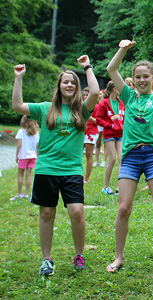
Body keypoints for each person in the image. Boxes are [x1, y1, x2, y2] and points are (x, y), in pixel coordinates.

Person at [11, 55, 99, 275]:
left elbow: (96, 92)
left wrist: (87, 67)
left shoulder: (82, 110)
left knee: (77, 212)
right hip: (46, 169)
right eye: (65, 81)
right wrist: (19, 78)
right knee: (46, 214)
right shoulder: (44, 108)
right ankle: (47, 260)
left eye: (73, 82)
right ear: (59, 86)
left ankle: (79, 255)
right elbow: (16, 105)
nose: (69, 84)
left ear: (77, 88)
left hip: (72, 171)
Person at [105, 28, 153, 273]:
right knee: (124, 207)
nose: (141, 80)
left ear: (152, 78)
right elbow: (111, 70)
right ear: (133, 79)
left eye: (145, 76)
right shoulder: (127, 96)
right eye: (137, 76)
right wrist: (122, 50)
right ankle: (119, 256)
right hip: (129, 157)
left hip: (152, 157)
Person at [95, 81, 125, 195]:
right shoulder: (104, 103)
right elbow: (99, 119)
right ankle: (106, 186)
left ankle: (120, 186)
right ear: (113, 89)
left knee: (122, 158)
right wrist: (110, 125)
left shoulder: (121, 103)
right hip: (109, 134)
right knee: (112, 159)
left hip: (120, 134)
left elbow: (125, 116)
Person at [10, 115, 40, 200]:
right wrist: (38, 156)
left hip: (23, 156)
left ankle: (19, 193)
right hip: (33, 156)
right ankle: (26, 193)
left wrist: (17, 155)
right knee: (28, 175)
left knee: (20, 175)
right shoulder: (36, 133)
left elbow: (19, 143)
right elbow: (37, 146)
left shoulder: (21, 131)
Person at [83, 87, 99, 183]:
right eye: (84, 95)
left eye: (87, 95)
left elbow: (99, 122)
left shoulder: (97, 107)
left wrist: (90, 117)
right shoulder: (81, 106)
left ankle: (87, 178)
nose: (85, 97)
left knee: (89, 154)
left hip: (91, 132)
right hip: (81, 131)